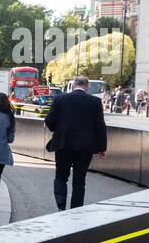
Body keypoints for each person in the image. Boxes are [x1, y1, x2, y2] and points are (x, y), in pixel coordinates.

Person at [44, 75, 108, 211]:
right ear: (87, 86)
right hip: (85, 147)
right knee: (79, 180)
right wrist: (102, 147)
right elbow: (100, 126)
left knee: (61, 176)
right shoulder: (95, 102)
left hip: (63, 144)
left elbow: (49, 120)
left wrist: (59, 130)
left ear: (73, 86)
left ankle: (61, 206)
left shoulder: (60, 99)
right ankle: (76, 210)